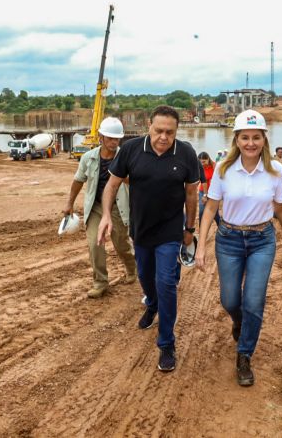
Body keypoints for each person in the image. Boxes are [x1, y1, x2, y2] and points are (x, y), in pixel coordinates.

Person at [195, 110, 282, 386]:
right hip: (228, 239)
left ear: (264, 139)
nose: (251, 143)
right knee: (230, 300)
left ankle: (244, 354)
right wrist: (201, 246)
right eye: (245, 138)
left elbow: (281, 209)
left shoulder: (276, 170)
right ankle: (239, 322)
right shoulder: (223, 169)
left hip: (262, 240)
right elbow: (210, 208)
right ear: (236, 140)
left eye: (256, 137)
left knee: (254, 300)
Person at [98, 105, 200, 372]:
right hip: (141, 230)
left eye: (170, 132)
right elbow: (112, 185)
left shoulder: (186, 153)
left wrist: (190, 229)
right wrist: (106, 215)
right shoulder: (131, 150)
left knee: (166, 283)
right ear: (149, 126)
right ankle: (152, 305)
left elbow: (192, 194)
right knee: (145, 276)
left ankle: (166, 343)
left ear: (177, 131)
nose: (164, 137)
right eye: (159, 131)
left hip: (170, 231)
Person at [63, 117, 136, 298]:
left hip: (117, 209)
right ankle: (100, 282)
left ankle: (131, 267)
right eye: (110, 138)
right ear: (101, 137)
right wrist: (69, 204)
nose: (114, 142)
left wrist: (122, 174)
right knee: (95, 245)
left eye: (117, 139)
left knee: (121, 245)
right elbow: (78, 181)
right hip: (95, 208)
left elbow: (135, 182)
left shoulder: (126, 158)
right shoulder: (88, 158)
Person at [198, 151, 220, 227]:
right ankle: (201, 229)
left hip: (213, 192)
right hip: (202, 191)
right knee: (201, 211)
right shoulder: (199, 167)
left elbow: (220, 179)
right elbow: (198, 181)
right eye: (200, 162)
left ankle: (221, 228)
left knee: (215, 213)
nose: (202, 164)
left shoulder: (214, 166)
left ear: (208, 159)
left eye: (204, 162)